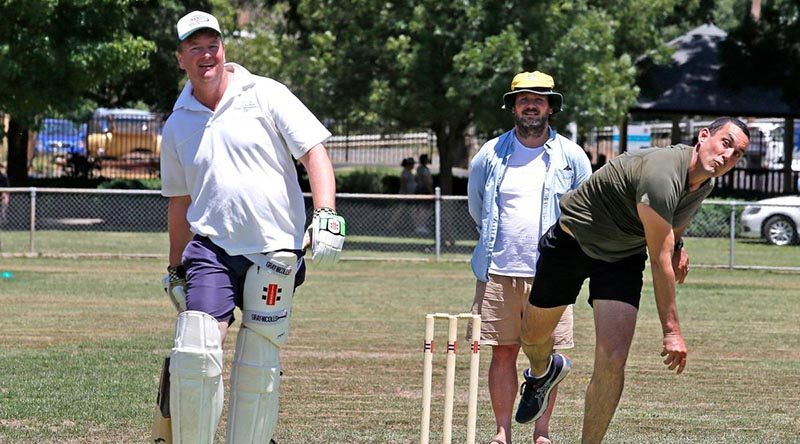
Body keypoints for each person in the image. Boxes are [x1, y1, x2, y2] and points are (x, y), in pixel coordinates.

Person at [159, 11, 345, 444]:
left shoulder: (265, 93)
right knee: (195, 350)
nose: (206, 54)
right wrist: (174, 268)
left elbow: (314, 153)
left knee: (260, 354)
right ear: (180, 58)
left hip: (275, 249)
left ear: (223, 49)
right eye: (195, 47)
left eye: (213, 45)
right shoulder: (177, 124)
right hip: (212, 249)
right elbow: (179, 202)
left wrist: (326, 214)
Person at [514, 117, 750, 442]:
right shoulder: (662, 171)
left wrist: (678, 244)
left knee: (613, 359)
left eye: (737, 154)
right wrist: (672, 332)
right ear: (704, 135)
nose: (728, 156)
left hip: (621, 257)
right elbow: (660, 259)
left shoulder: (703, 183)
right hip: (573, 243)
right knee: (532, 337)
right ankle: (542, 373)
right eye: (726, 143)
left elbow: (673, 224)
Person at [467, 71, 592, 444]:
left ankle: (542, 433)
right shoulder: (490, 153)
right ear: (513, 107)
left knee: (546, 356)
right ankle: (502, 433)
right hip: (498, 271)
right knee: (502, 353)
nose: (532, 105)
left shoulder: (571, 156)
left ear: (551, 107)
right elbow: (478, 207)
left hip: (552, 274)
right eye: (524, 99)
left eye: (539, 99)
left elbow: (585, 209)